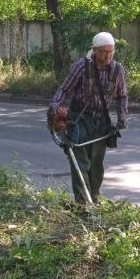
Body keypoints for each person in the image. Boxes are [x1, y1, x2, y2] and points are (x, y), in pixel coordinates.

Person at [47, 31, 128, 204]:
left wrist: (122, 117)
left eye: (111, 52)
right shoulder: (82, 66)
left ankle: (94, 199)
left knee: (96, 166)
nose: (108, 56)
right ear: (95, 50)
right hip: (79, 120)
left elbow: (122, 96)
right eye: (104, 52)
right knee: (80, 163)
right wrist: (55, 104)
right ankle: (83, 204)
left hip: (102, 123)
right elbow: (65, 89)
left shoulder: (117, 70)